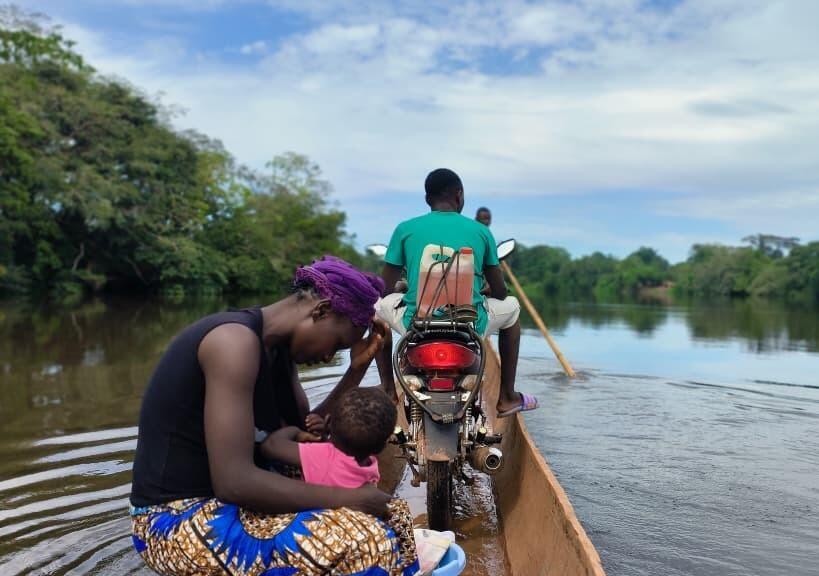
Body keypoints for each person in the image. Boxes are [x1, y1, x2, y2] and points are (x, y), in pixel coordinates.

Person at [129, 255, 418, 576]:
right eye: (336, 344)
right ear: (320, 310)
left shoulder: (277, 351)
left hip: (235, 505)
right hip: (175, 520)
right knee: (365, 542)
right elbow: (233, 482)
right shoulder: (233, 343)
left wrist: (354, 372)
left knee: (396, 518)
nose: (326, 356)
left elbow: (308, 436)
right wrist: (351, 499)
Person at [374, 168, 538, 418]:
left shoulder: (405, 229)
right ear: (459, 196)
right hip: (469, 323)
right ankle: (506, 396)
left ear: (428, 199)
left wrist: (402, 287)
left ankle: (387, 388)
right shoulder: (481, 232)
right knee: (513, 307)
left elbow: (383, 288)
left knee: (373, 306)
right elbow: (502, 293)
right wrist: (484, 288)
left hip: (415, 323)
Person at [260, 387, 397, 489]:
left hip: (316, 523)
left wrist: (296, 432)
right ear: (382, 447)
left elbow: (271, 446)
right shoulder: (370, 470)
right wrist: (324, 438)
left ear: (328, 420)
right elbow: (342, 460)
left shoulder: (319, 456)